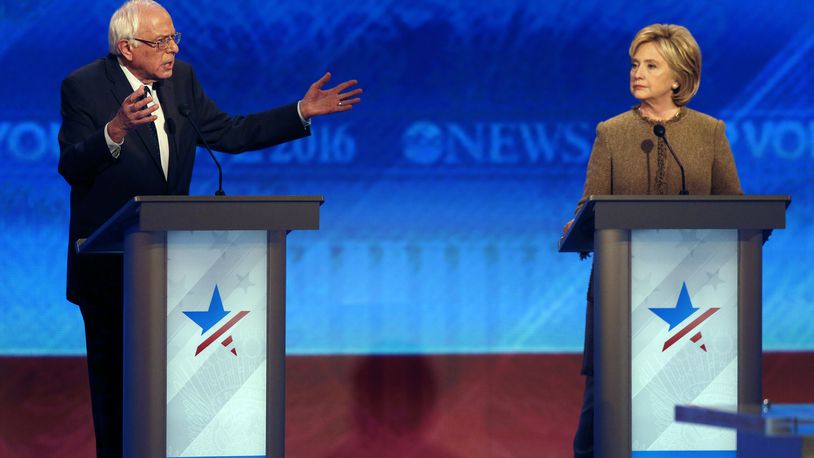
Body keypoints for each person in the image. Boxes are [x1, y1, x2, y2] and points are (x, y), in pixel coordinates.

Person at [57, 0, 362, 456]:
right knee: (117, 399)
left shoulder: (181, 81)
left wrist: (299, 112)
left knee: (175, 403)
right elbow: (72, 166)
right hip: (110, 272)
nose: (172, 50)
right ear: (125, 48)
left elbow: (230, 132)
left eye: (174, 38)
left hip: (176, 271)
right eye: (160, 42)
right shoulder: (83, 86)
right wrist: (115, 130)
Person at [564, 24, 742, 457]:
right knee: (602, 411)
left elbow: (737, 209)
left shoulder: (710, 133)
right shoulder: (612, 132)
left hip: (696, 301)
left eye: (650, 65)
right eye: (634, 64)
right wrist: (575, 226)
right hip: (621, 292)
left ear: (678, 77)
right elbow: (588, 207)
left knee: (689, 411)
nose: (637, 73)